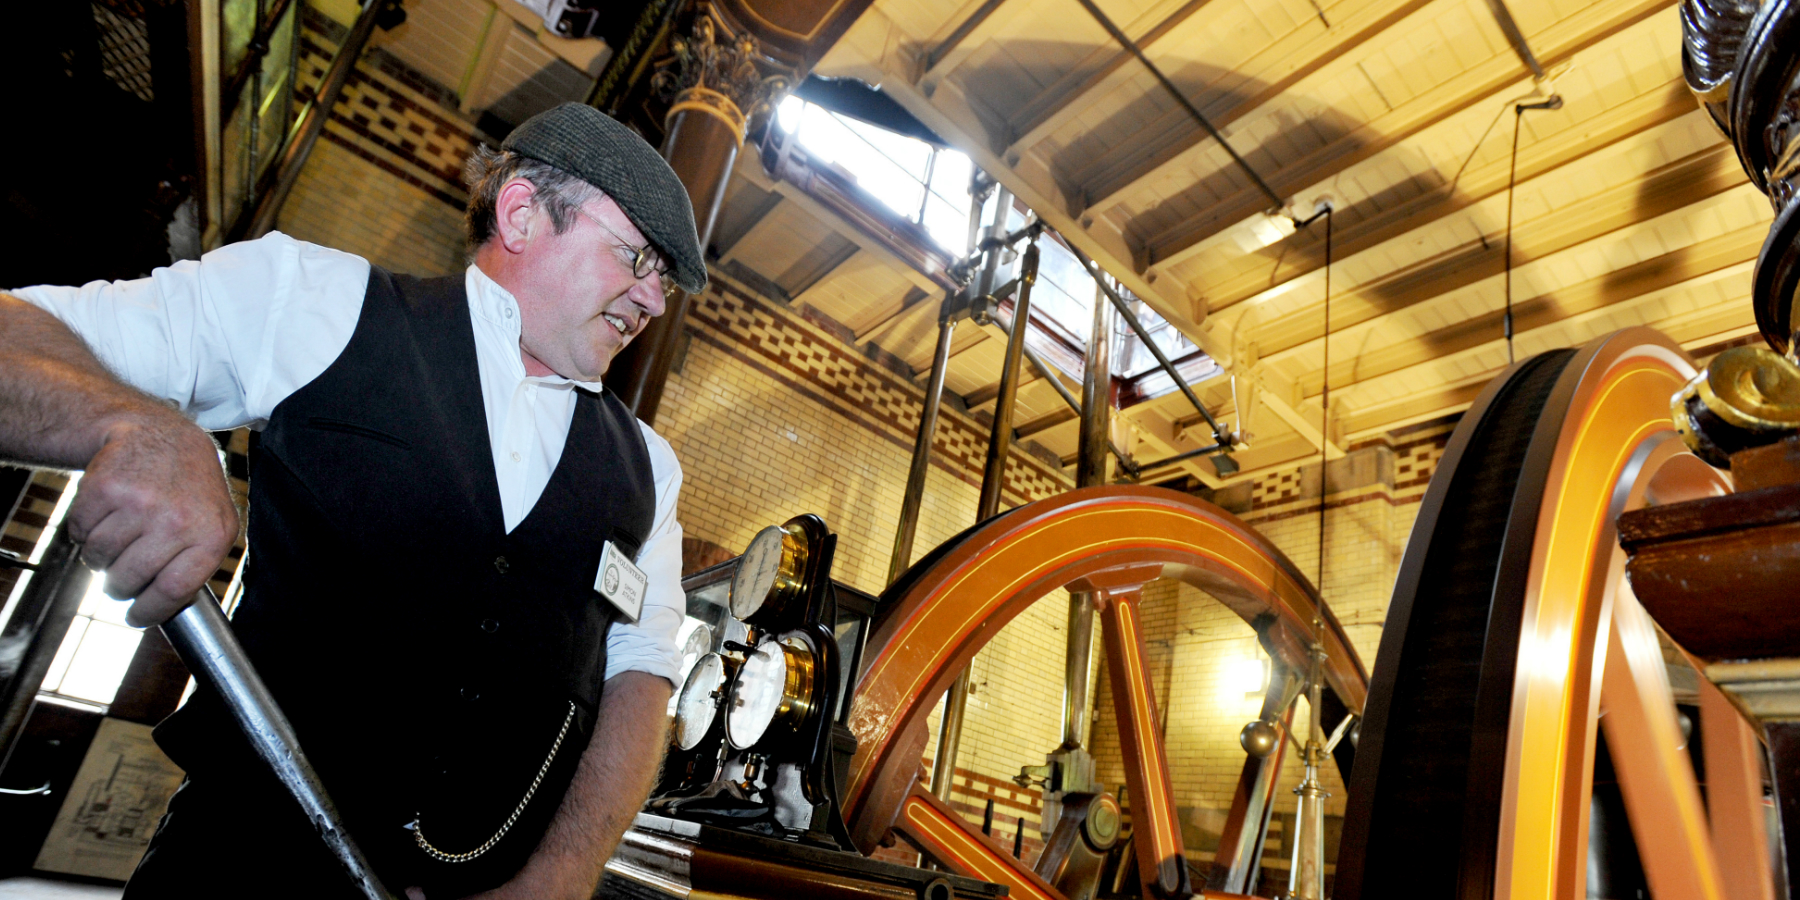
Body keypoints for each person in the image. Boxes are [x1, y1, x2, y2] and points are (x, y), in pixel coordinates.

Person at [0, 102, 704, 899]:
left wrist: (563, 873)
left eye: (664, 282)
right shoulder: (311, 301)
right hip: (238, 873)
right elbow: (14, 331)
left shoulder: (651, 467)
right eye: (637, 259)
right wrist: (135, 423)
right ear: (521, 214)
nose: (653, 303)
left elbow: (639, 676)